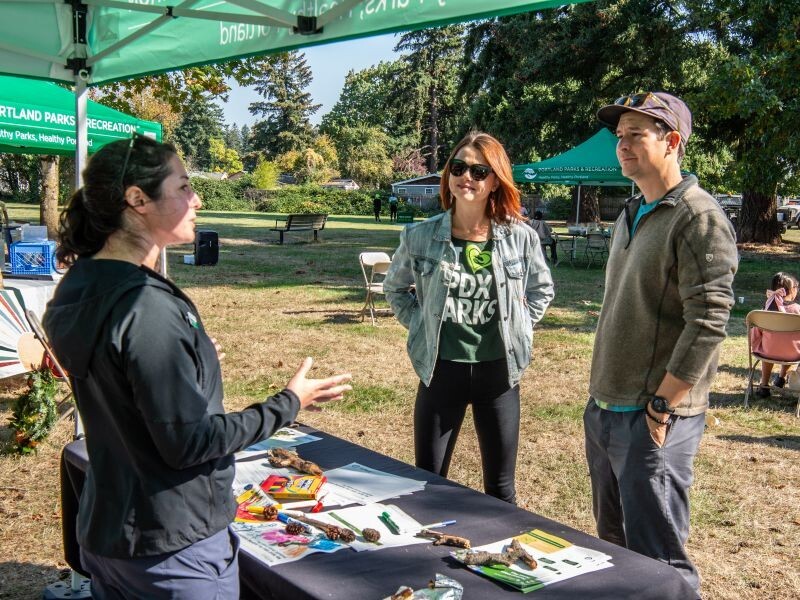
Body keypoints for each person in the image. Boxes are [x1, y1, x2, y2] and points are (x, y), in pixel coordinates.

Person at [42, 135, 352, 599]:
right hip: (170, 544)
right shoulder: (145, 304)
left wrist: (190, 363)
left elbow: (117, 377)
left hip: (113, 533)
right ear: (137, 200)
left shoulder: (81, 285)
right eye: (184, 186)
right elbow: (188, 443)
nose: (197, 198)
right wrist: (289, 403)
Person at [586, 92, 737, 592]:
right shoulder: (632, 210)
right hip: (607, 407)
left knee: (659, 561)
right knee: (615, 547)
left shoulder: (697, 216)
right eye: (619, 136)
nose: (622, 145)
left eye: (637, 134)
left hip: (654, 417)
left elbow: (711, 318)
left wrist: (662, 404)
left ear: (672, 141)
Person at [383, 131, 554, 504]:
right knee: (427, 482)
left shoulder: (520, 238)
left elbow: (542, 290)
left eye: (480, 171)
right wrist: (420, 325)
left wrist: (520, 327)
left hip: (499, 373)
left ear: (495, 182)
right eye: (458, 167)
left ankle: (501, 559)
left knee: (501, 489)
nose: (467, 177)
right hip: (441, 370)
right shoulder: (420, 236)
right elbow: (395, 289)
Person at [751, 272, 800, 397]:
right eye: (797, 287)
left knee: (769, 347)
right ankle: (781, 379)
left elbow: (756, 332)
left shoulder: (765, 310)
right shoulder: (797, 310)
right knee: (789, 344)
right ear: (792, 290)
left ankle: (764, 385)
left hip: (768, 352)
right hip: (794, 353)